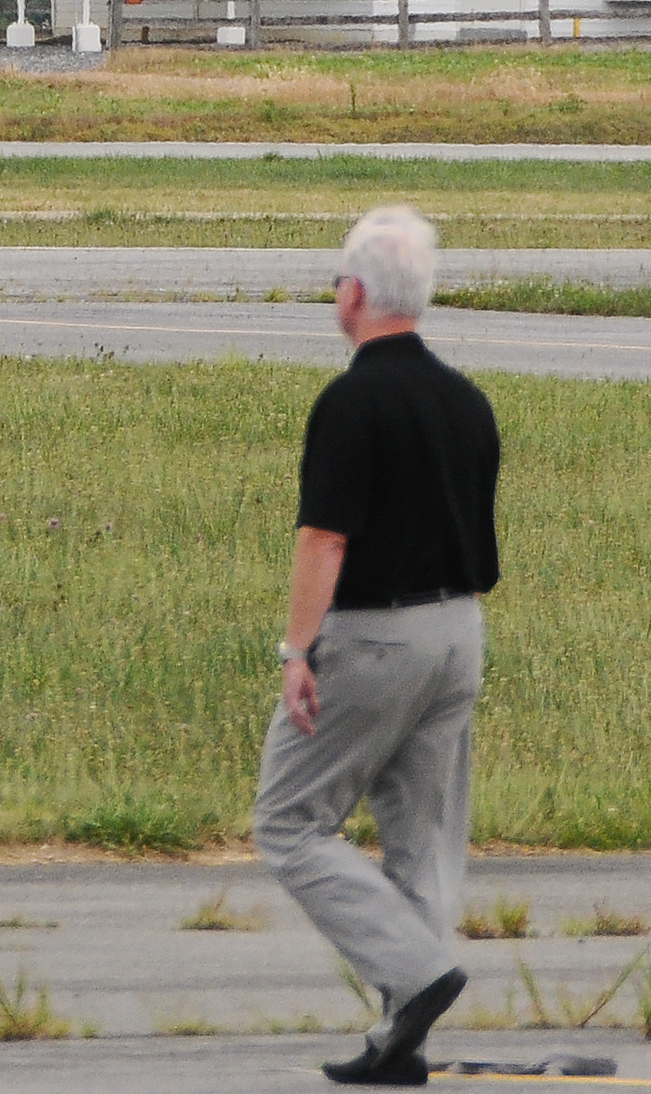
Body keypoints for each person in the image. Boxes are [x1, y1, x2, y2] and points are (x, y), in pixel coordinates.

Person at [255, 205, 501, 1087]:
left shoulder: (351, 399)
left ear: (353, 293)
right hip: (459, 633)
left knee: (288, 821)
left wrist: (296, 651)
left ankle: (415, 975)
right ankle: (404, 1035)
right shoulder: (467, 401)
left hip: (374, 635)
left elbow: (325, 539)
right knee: (422, 836)